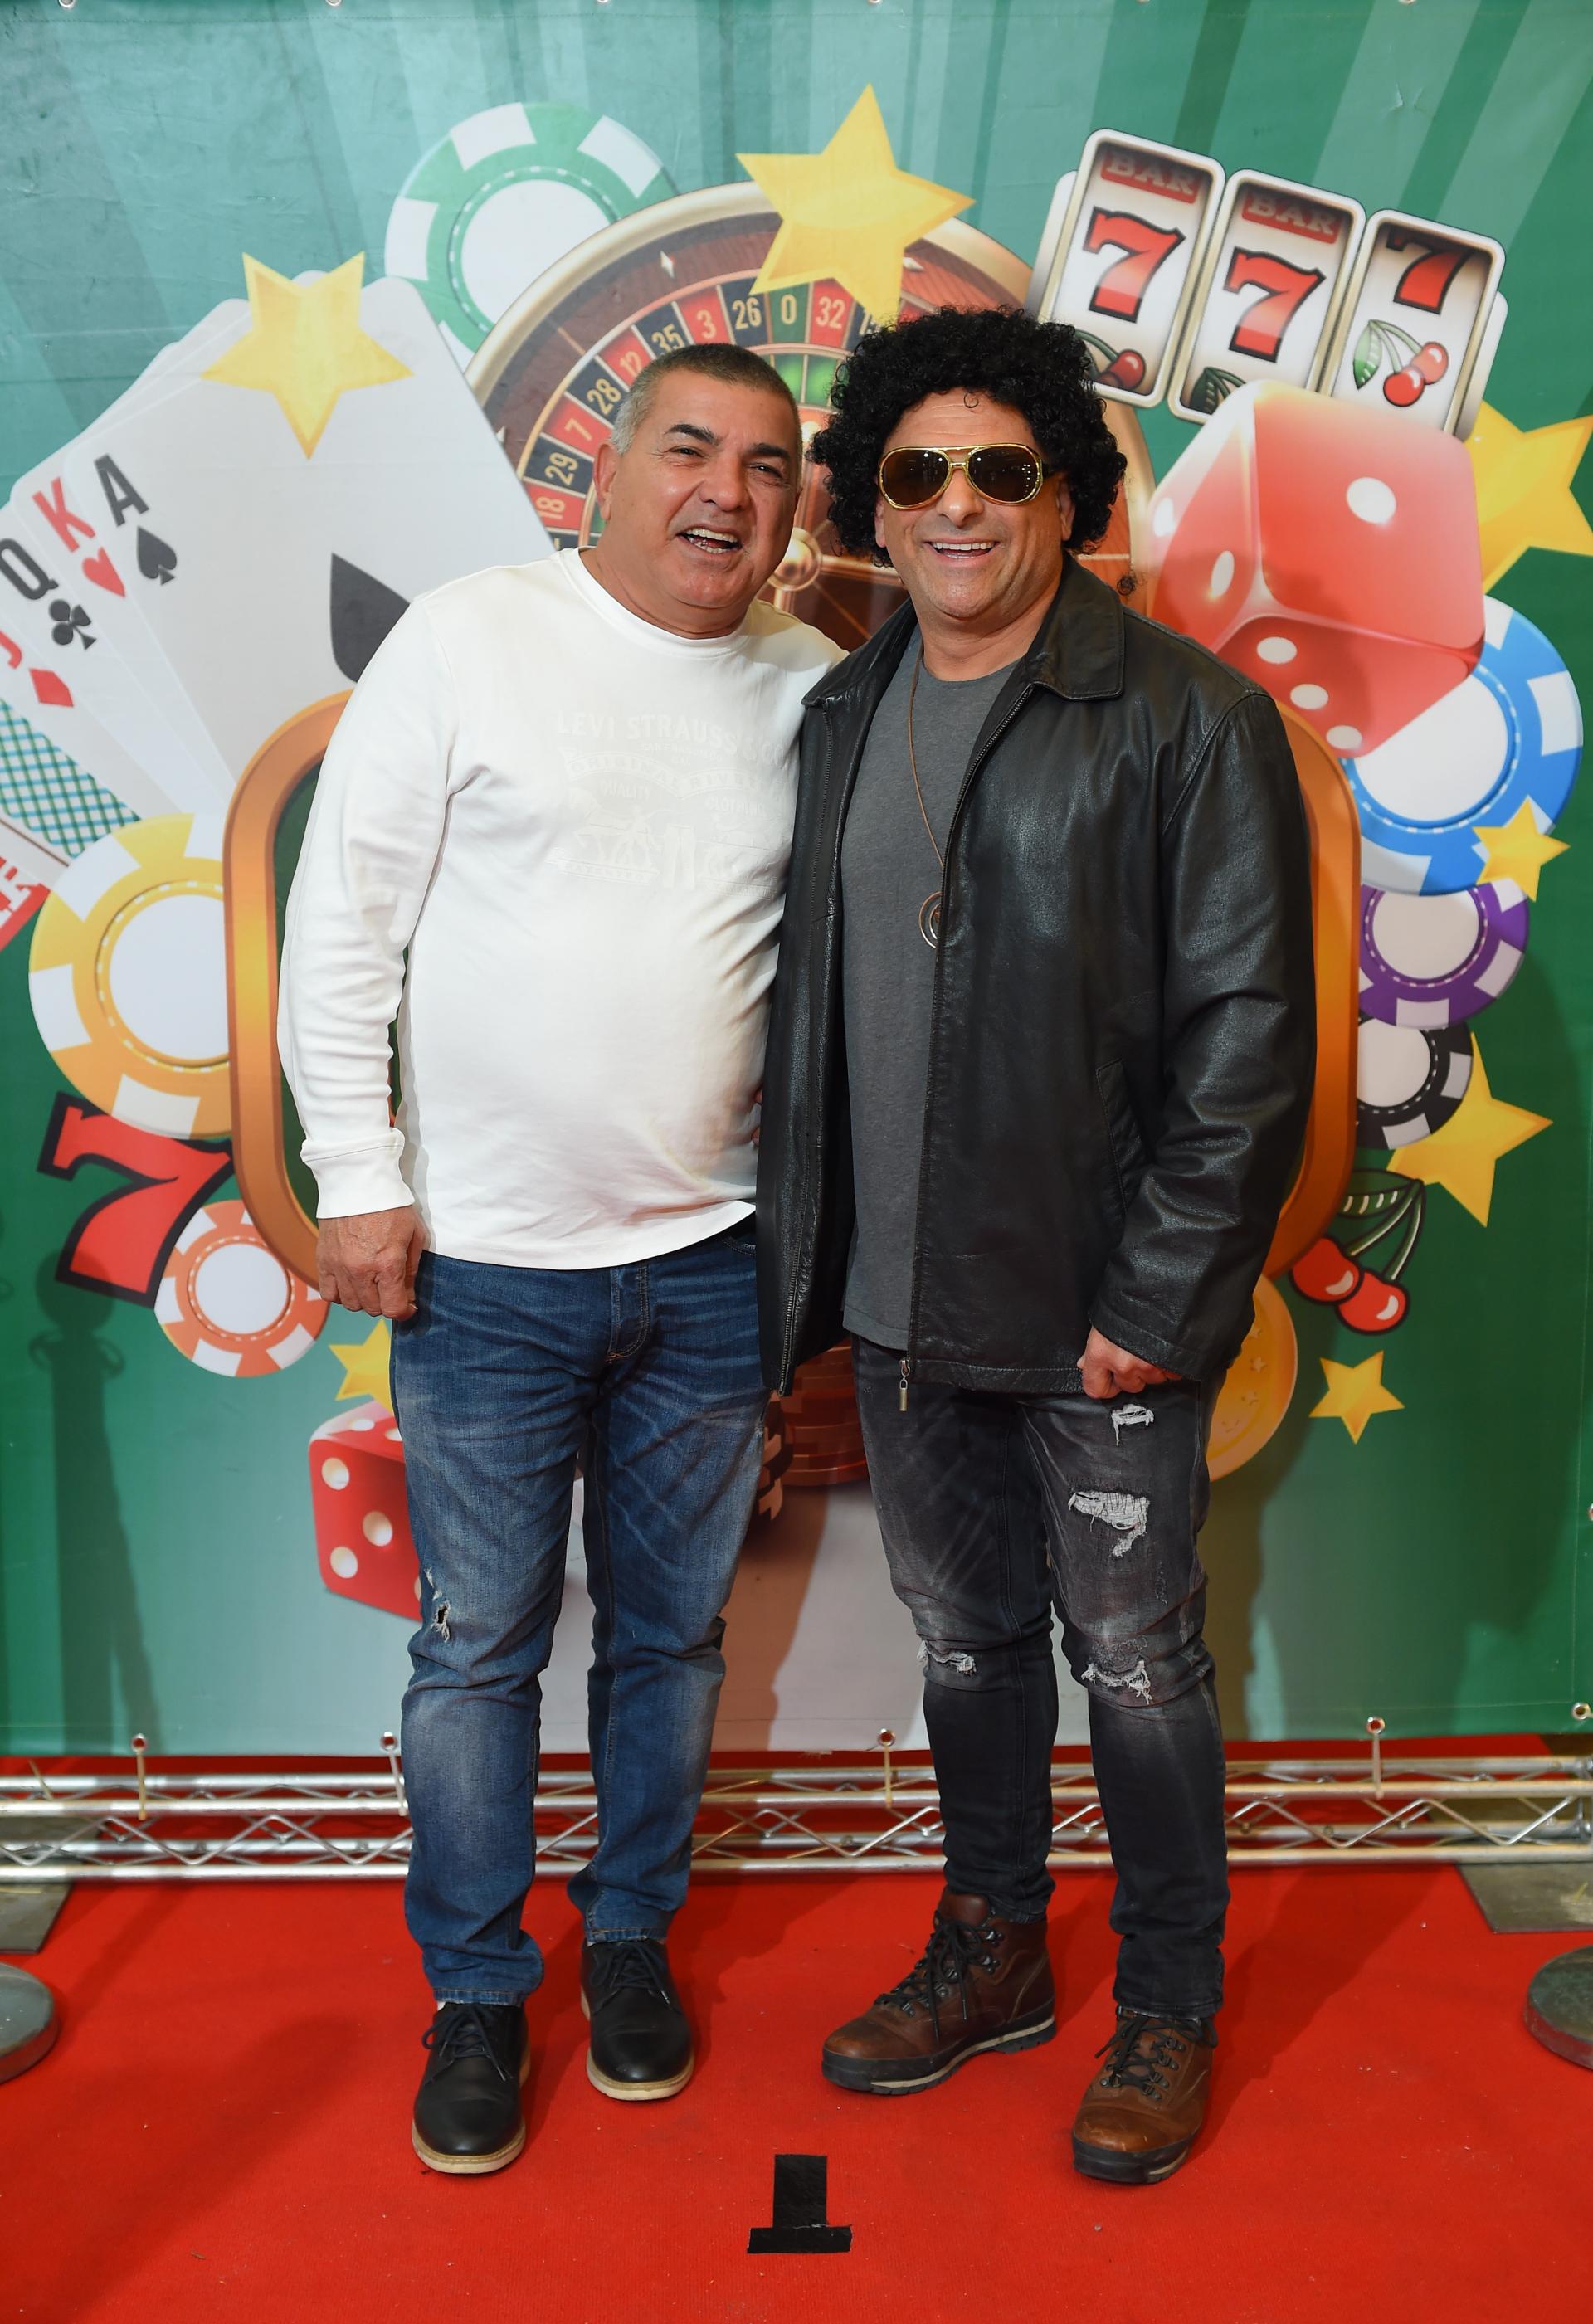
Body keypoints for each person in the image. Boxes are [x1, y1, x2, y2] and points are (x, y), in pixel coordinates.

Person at [756, 307, 1314, 2185]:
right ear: (872, 502)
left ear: (1067, 494)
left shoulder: (1187, 716)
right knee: (966, 1643)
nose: (959, 503)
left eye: (1002, 468)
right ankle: (993, 1943)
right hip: (900, 1310)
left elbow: (1249, 1040)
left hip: (1098, 1316)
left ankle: (1170, 2000)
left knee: (1138, 1666)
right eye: (918, 470)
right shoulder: (840, 715)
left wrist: (1157, 1298)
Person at [280, 343, 840, 2175]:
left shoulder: (813, 685)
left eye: (768, 464)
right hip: (485, 1273)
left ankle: (627, 1941)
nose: (727, 492)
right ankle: (474, 1988)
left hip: (715, 1263)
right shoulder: (468, 638)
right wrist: (357, 1175)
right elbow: (342, 926)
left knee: (673, 1640)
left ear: (795, 501)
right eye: (691, 447)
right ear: (605, 465)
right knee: (476, 1651)